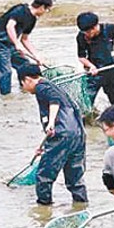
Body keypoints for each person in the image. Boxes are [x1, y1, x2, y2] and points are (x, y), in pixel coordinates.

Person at [18, 64, 88, 206]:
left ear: (27, 80)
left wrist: (51, 123)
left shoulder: (41, 87)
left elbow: (54, 101)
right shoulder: (53, 86)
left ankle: (44, 209)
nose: (24, 88)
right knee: (75, 177)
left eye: (22, 84)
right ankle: (81, 205)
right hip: (78, 135)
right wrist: (45, 147)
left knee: (44, 176)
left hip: (62, 135)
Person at [0, 0, 53, 95]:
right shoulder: (20, 10)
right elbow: (10, 26)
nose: (46, 12)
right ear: (42, 7)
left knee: (24, 64)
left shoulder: (33, 19)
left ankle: (25, 89)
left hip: (11, 42)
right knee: (6, 72)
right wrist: (17, 44)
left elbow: (25, 39)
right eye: (47, 9)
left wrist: (37, 56)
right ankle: (6, 96)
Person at [76, 12, 114, 106]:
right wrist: (91, 66)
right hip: (94, 71)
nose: (86, 35)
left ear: (95, 27)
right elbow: (81, 57)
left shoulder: (110, 29)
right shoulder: (81, 37)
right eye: (84, 32)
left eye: (88, 32)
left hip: (111, 69)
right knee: (86, 101)